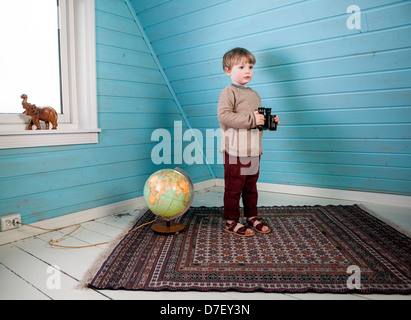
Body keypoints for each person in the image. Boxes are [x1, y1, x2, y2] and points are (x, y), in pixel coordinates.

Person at [217, 47, 279, 237]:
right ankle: (231, 220)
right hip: (236, 150)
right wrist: (252, 119)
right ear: (228, 71)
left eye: (250, 67)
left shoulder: (254, 94)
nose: (247, 71)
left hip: (253, 150)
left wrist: (268, 122)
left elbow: (256, 121)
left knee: (251, 188)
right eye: (242, 66)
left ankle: (251, 216)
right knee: (234, 188)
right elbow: (225, 116)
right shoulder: (228, 92)